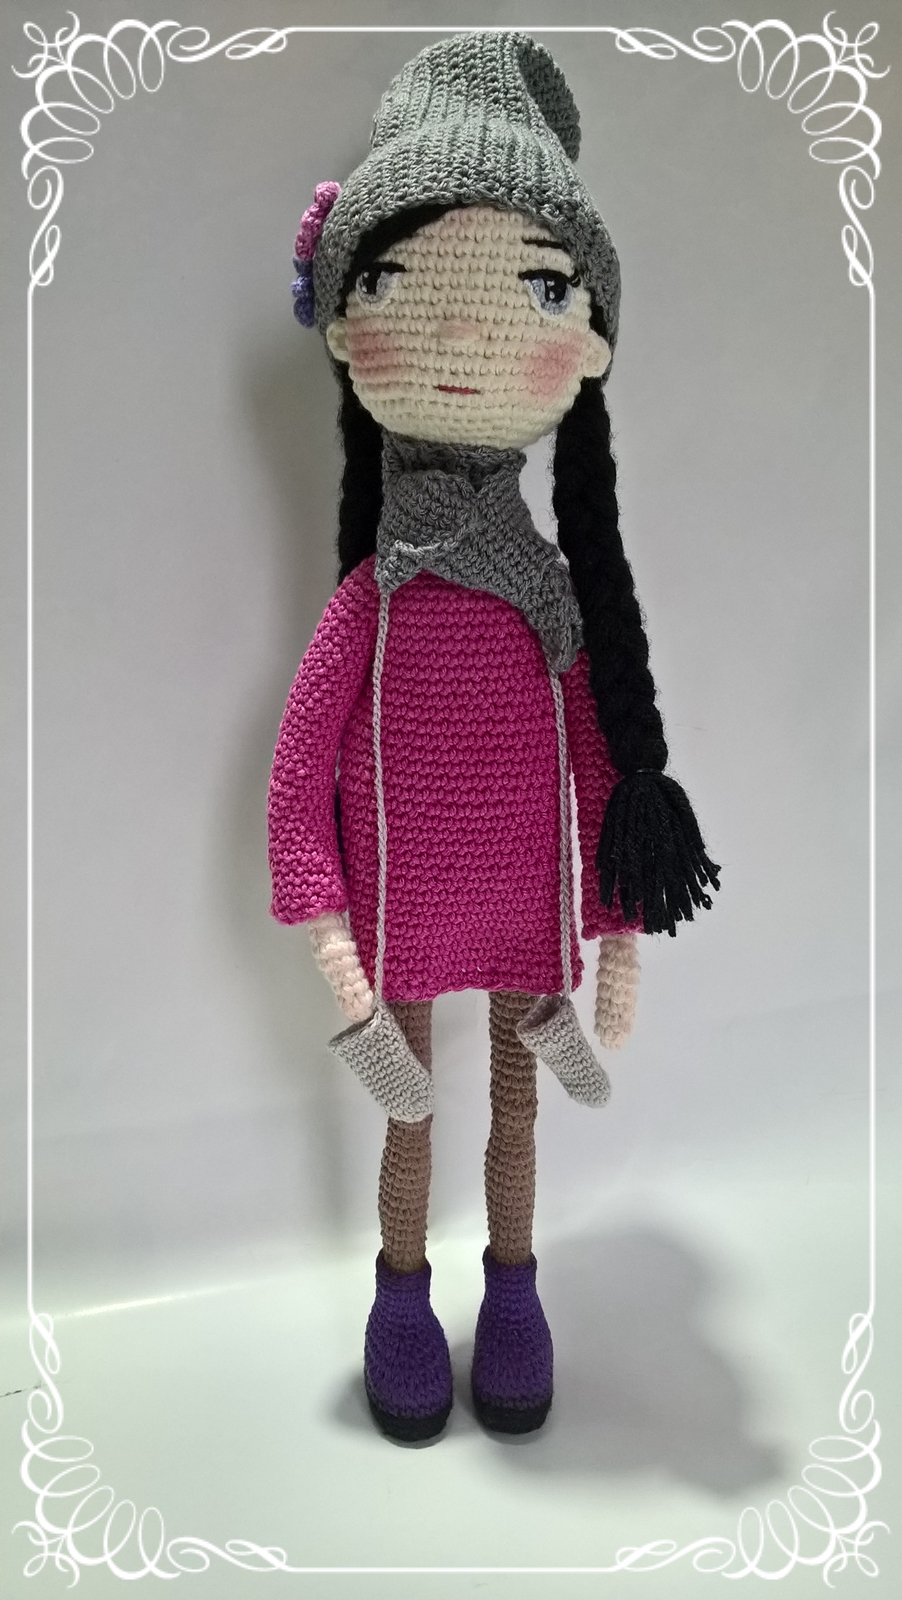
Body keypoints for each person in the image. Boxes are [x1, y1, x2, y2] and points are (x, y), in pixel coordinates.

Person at [268, 31, 719, 1442]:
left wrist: (617, 925)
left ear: (584, 345)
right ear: (346, 323)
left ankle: (511, 1288)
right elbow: (298, 773)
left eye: (534, 286)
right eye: (403, 282)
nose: (465, 340)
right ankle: (402, 1296)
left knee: (513, 1113)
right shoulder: (372, 599)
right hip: (399, 907)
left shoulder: (551, 597)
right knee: (409, 1110)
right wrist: (328, 934)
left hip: (524, 906)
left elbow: (598, 759)